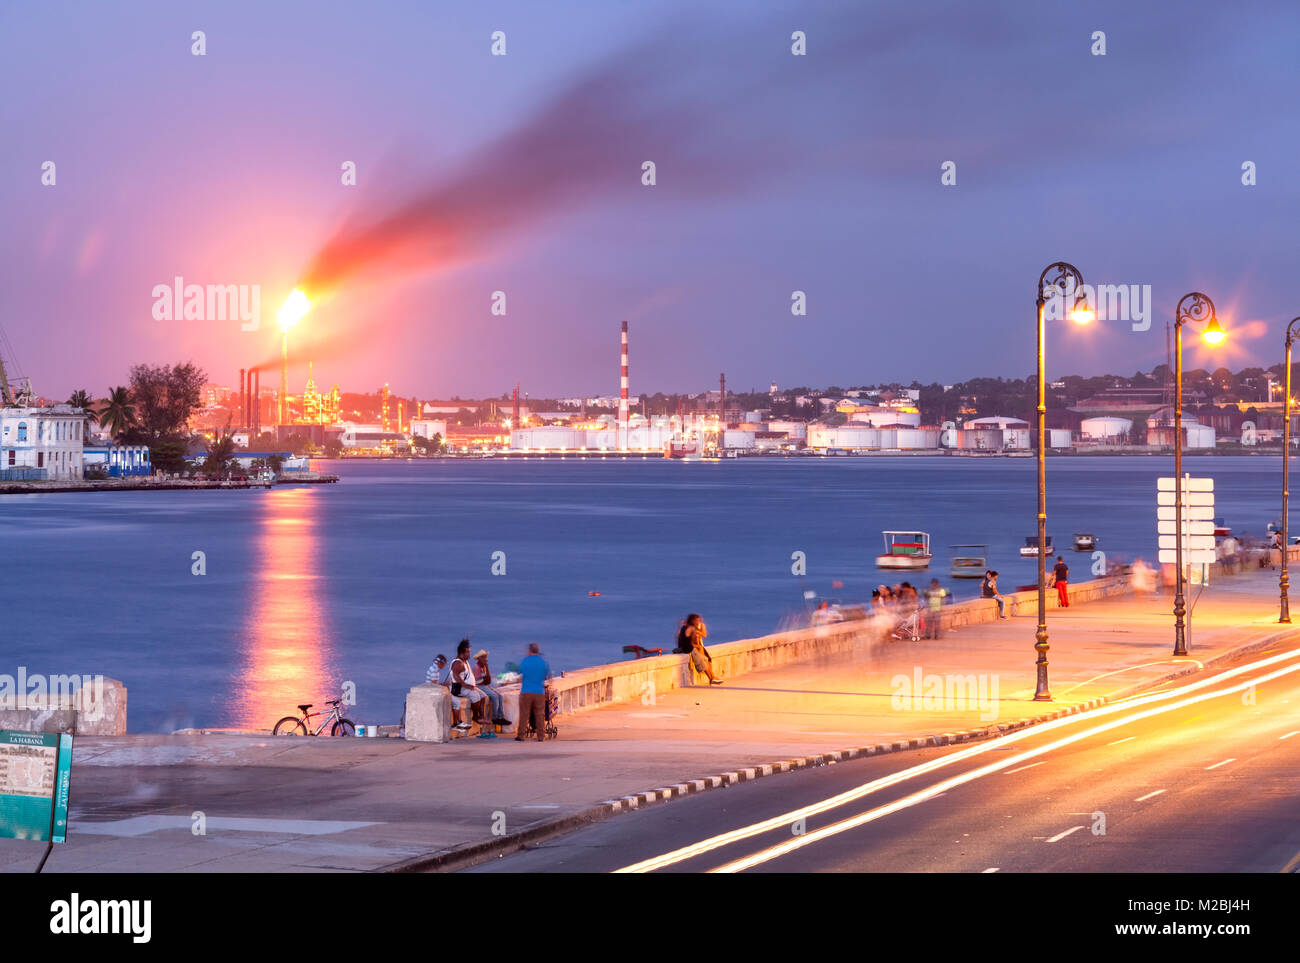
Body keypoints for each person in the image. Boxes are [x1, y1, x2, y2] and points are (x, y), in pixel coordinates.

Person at [515, 642, 552, 742]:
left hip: (526, 691)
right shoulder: (543, 662)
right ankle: (541, 736)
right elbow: (549, 677)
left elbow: (519, 673)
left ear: (529, 650)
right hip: (539, 692)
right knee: (540, 714)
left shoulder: (525, 661)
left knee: (524, 714)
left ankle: (521, 735)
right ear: (538, 651)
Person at [449, 639, 487, 732]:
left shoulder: (464, 661)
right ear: (463, 652)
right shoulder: (458, 663)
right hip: (460, 689)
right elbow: (455, 676)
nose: (469, 654)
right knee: (476, 696)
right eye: (468, 652)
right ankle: (475, 716)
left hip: (467, 687)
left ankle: (478, 716)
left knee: (484, 696)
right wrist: (465, 685)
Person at [677, 613, 722, 684]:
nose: (698, 622)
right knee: (703, 661)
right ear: (692, 621)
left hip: (687, 648)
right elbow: (689, 642)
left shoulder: (685, 627)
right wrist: (697, 646)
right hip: (689, 649)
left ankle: (712, 678)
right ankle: (712, 678)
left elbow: (685, 641)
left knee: (705, 660)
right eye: (697, 620)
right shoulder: (691, 628)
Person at [473, 649, 510, 727]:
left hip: (484, 685)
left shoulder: (483, 667)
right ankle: (495, 717)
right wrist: (486, 679)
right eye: (483, 657)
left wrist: (487, 667)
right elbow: (479, 682)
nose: (485, 659)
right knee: (494, 696)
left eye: (486, 657)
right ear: (479, 658)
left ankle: (500, 717)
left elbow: (488, 680)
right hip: (479, 686)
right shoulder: (477, 667)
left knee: (500, 696)